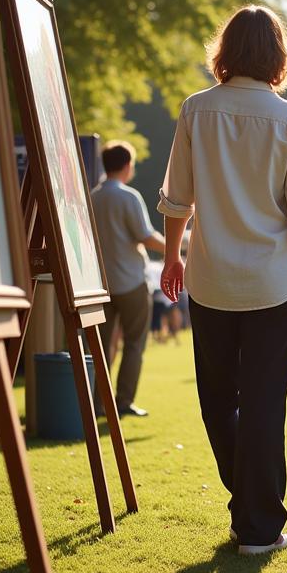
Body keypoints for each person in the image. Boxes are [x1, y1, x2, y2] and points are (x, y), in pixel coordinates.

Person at [159, 4, 287, 556]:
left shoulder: (195, 110)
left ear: (225, 52)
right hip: (275, 283)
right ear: (278, 56)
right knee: (264, 402)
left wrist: (171, 257)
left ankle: (251, 508)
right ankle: (259, 520)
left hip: (210, 279)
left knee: (217, 399)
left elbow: (175, 197)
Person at [90, 141, 165, 417]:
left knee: (102, 347)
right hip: (131, 281)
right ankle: (123, 401)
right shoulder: (128, 196)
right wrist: (175, 247)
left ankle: (98, 402)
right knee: (134, 344)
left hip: (101, 283)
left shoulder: (92, 196)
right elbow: (145, 235)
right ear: (127, 165)